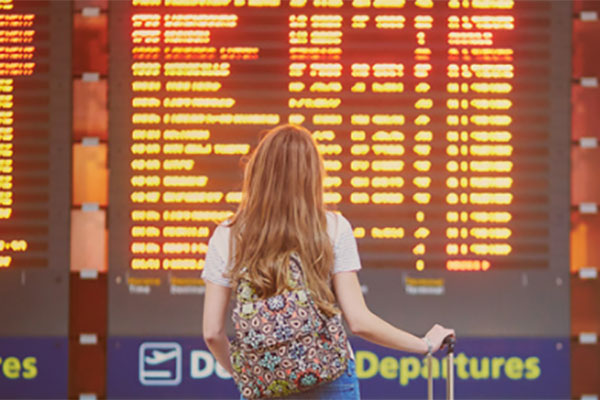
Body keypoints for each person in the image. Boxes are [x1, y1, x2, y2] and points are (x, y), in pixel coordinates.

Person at [202, 124, 455, 399]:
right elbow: (358, 321)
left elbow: (213, 333)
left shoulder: (226, 235)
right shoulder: (333, 228)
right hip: (330, 381)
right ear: (311, 175)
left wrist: (255, 376)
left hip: (264, 389)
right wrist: (425, 344)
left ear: (258, 172)